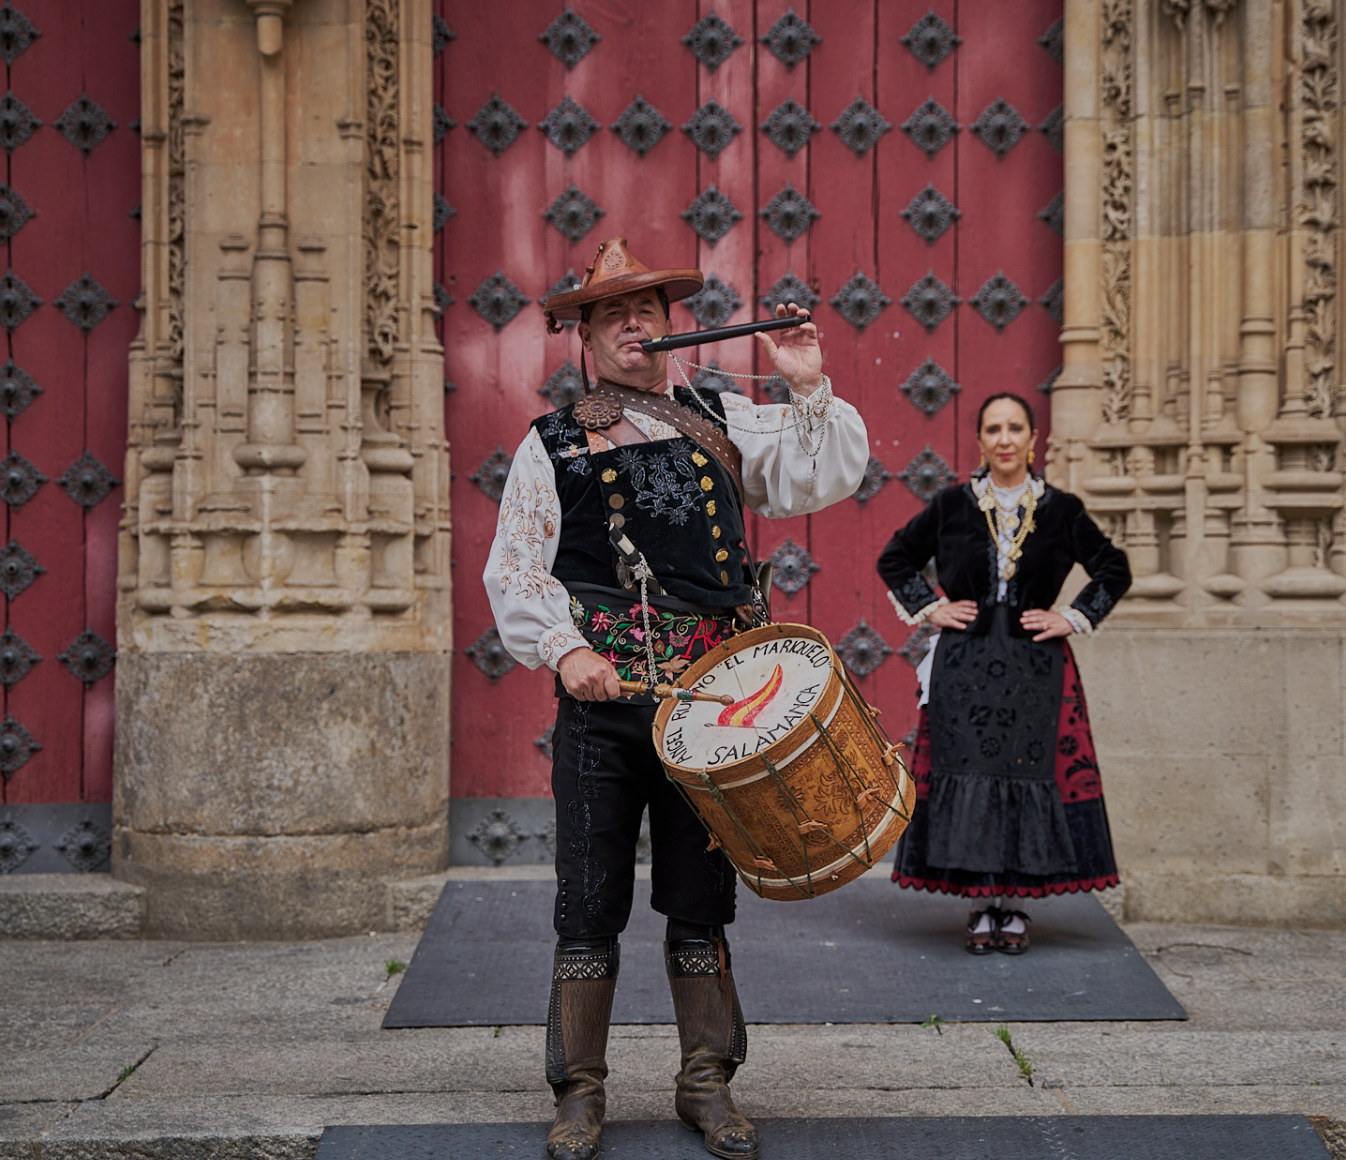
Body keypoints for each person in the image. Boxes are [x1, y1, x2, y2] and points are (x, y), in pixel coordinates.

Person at [482, 237, 868, 1160]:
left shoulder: (724, 412)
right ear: (584, 335)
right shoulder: (554, 443)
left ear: (669, 324)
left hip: (711, 708)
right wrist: (566, 649)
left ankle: (707, 1084)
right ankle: (579, 1092)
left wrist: (809, 386)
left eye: (646, 310)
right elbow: (518, 565)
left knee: (701, 901)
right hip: (603, 705)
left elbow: (820, 473)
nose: (632, 326)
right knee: (588, 901)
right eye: (611, 314)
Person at [876, 393, 1131, 954]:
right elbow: (894, 557)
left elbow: (1115, 568)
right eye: (994, 428)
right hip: (964, 667)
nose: (1005, 438)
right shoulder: (951, 505)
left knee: (1023, 774)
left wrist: (1071, 616)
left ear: (1034, 438)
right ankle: (979, 903)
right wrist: (931, 607)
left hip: (1035, 665)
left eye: (1016, 427)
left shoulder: (1060, 509)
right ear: (980, 440)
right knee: (972, 774)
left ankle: (1012, 906)